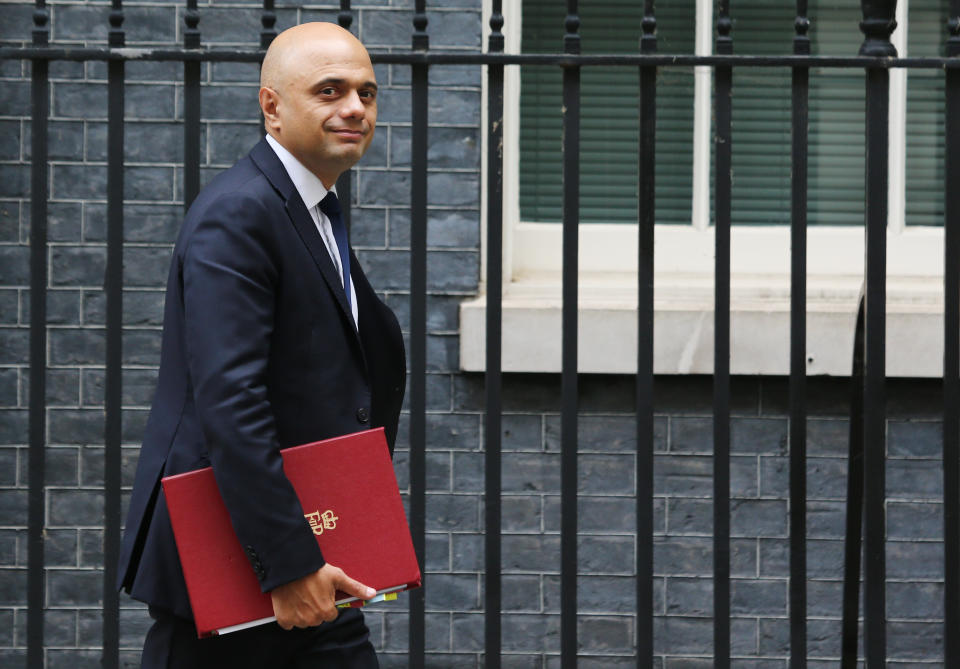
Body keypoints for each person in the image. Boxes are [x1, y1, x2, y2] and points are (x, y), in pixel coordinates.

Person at [116, 22, 406, 668]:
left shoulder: (311, 212)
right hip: (235, 575)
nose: (355, 107)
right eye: (329, 90)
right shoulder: (241, 212)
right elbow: (231, 400)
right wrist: (289, 563)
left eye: (367, 92)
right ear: (271, 106)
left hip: (305, 559)